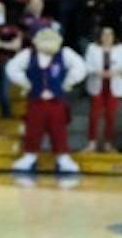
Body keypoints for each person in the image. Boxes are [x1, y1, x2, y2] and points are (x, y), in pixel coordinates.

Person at [5, 27, 86, 176]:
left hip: (57, 101)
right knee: (33, 129)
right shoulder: (28, 55)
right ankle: (30, 156)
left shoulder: (64, 54)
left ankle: (63, 157)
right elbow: (11, 68)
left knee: (59, 130)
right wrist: (26, 84)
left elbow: (80, 67)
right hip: (36, 100)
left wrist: (67, 83)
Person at [82, 26, 122, 154]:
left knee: (111, 115)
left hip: (114, 85)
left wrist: (116, 71)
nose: (107, 37)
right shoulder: (92, 48)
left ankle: (108, 144)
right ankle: (91, 143)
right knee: (94, 115)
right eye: (104, 34)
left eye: (110, 34)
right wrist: (97, 71)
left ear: (114, 36)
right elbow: (86, 66)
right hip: (97, 84)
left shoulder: (121, 49)